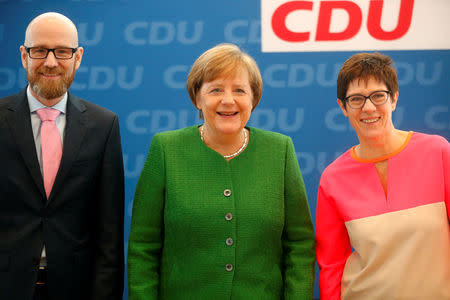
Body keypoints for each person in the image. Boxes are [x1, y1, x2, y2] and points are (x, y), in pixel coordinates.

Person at [127, 43, 315, 299]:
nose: (228, 100)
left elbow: (299, 246)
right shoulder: (165, 149)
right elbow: (143, 248)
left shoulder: (280, 150)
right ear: (197, 98)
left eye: (239, 90)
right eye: (216, 89)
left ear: (253, 99)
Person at [0, 12, 124, 300]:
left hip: (75, 288)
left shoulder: (104, 126)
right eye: (40, 50)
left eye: (63, 52)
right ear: (24, 56)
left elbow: (109, 235)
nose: (51, 61)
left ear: (78, 57)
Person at [316, 52, 450, 299]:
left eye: (378, 96)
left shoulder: (438, 152)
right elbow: (332, 267)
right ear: (343, 107)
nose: (368, 107)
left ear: (394, 99)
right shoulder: (332, 178)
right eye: (356, 99)